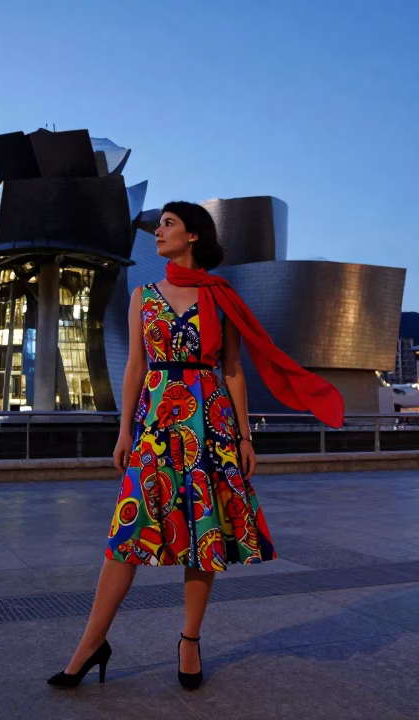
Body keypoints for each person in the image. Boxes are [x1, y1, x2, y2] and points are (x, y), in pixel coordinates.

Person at [47, 201, 344, 691]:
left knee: (203, 533)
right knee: (127, 535)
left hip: (211, 424)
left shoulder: (222, 297)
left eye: (168, 224)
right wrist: (124, 430)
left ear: (193, 236)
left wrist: (245, 436)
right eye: (159, 224)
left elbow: (233, 371)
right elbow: (135, 367)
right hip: (156, 425)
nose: (158, 232)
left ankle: (190, 641)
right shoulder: (143, 295)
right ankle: (90, 645)